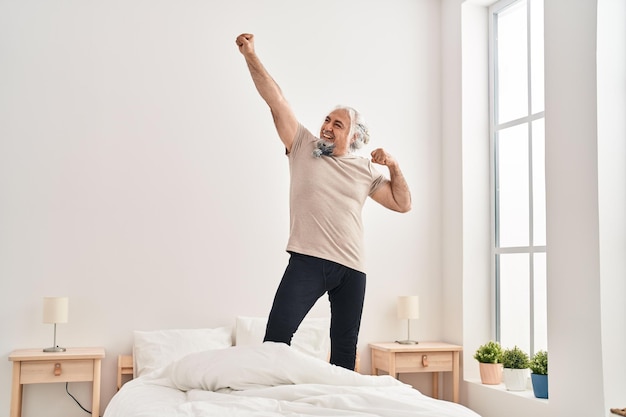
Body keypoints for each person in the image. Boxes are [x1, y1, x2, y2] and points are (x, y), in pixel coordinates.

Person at [236, 33, 412, 371]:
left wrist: (394, 166)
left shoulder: (365, 170)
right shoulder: (303, 146)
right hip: (308, 261)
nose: (327, 127)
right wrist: (250, 55)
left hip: (352, 268)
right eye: (327, 120)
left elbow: (402, 204)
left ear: (355, 136)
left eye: (338, 123)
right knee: (276, 339)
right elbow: (277, 101)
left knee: (345, 351)